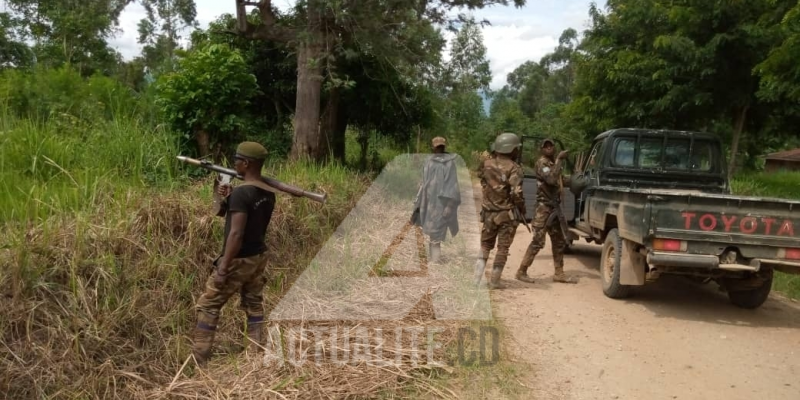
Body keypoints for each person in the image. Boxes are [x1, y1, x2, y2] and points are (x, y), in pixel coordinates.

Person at [191, 141, 277, 366]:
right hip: (258, 257)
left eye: (236, 161)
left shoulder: (242, 194)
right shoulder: (268, 194)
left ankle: (199, 362)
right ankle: (256, 354)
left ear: (246, 163)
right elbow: (233, 215)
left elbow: (236, 234)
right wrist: (226, 198)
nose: (234, 165)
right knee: (253, 303)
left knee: (208, 305)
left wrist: (223, 268)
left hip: (238, 259)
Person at [516, 138, 577, 284]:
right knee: (538, 241)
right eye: (546, 146)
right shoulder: (542, 163)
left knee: (559, 241)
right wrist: (560, 160)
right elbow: (550, 179)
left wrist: (578, 179)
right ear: (542, 149)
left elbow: (560, 180)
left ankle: (559, 273)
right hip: (543, 208)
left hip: (554, 208)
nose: (549, 148)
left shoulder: (552, 164)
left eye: (551, 146)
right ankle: (521, 271)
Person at [475, 133, 525, 289]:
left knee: (485, 246)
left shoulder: (486, 164)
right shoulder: (515, 168)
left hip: (488, 212)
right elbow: (516, 193)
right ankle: (495, 281)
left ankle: (476, 279)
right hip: (505, 214)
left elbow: (482, 180)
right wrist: (522, 207)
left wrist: (489, 195)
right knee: (502, 248)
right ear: (511, 149)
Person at [413, 136, 461, 263]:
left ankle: (435, 262)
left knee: (437, 233)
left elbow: (452, 185)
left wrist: (449, 206)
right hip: (427, 202)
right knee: (428, 229)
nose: (439, 148)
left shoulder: (449, 163)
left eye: (441, 146)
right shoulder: (429, 161)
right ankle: (432, 259)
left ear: (444, 147)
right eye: (437, 146)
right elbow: (423, 180)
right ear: (433, 147)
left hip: (440, 204)